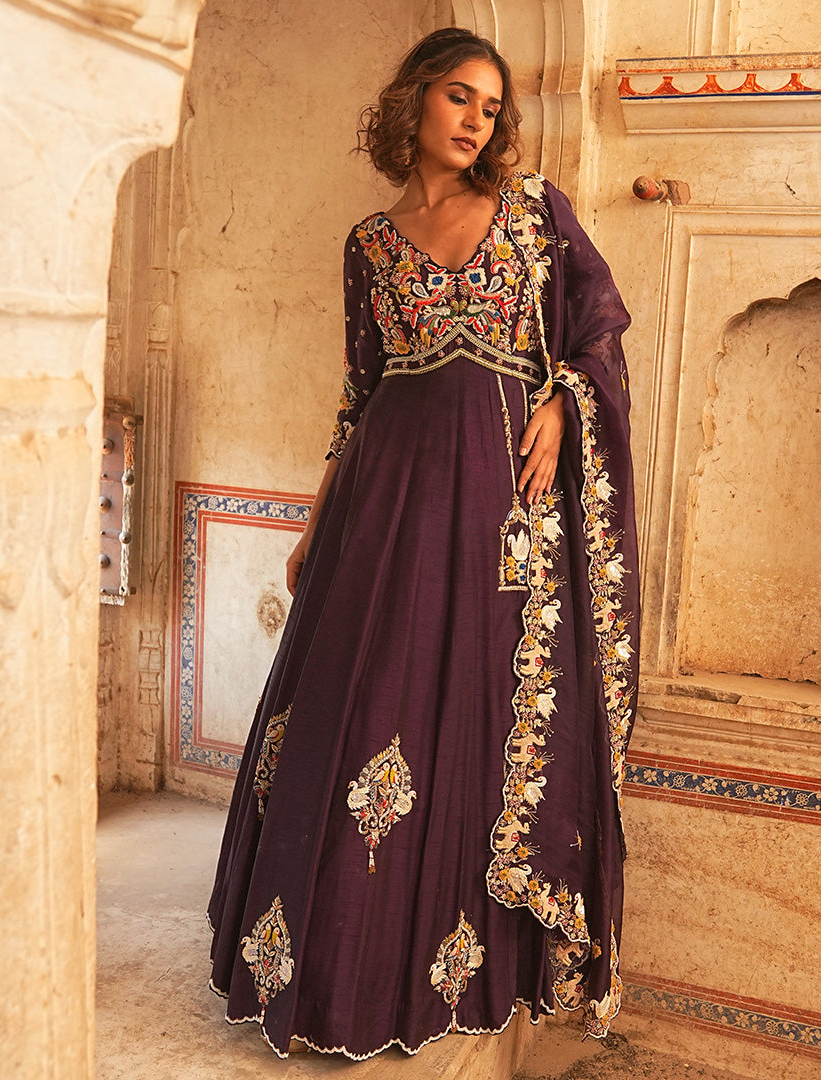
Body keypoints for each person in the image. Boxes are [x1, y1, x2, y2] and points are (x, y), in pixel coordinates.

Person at [206, 26, 639, 1061]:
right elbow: (357, 395)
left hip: (497, 498)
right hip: (382, 501)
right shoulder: (369, 244)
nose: (476, 120)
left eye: (491, 107)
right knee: (364, 703)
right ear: (413, 102)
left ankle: (461, 975)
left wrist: (563, 404)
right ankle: (334, 969)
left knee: (473, 711)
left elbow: (599, 331)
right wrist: (318, 518)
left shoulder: (535, 214)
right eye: (458, 97)